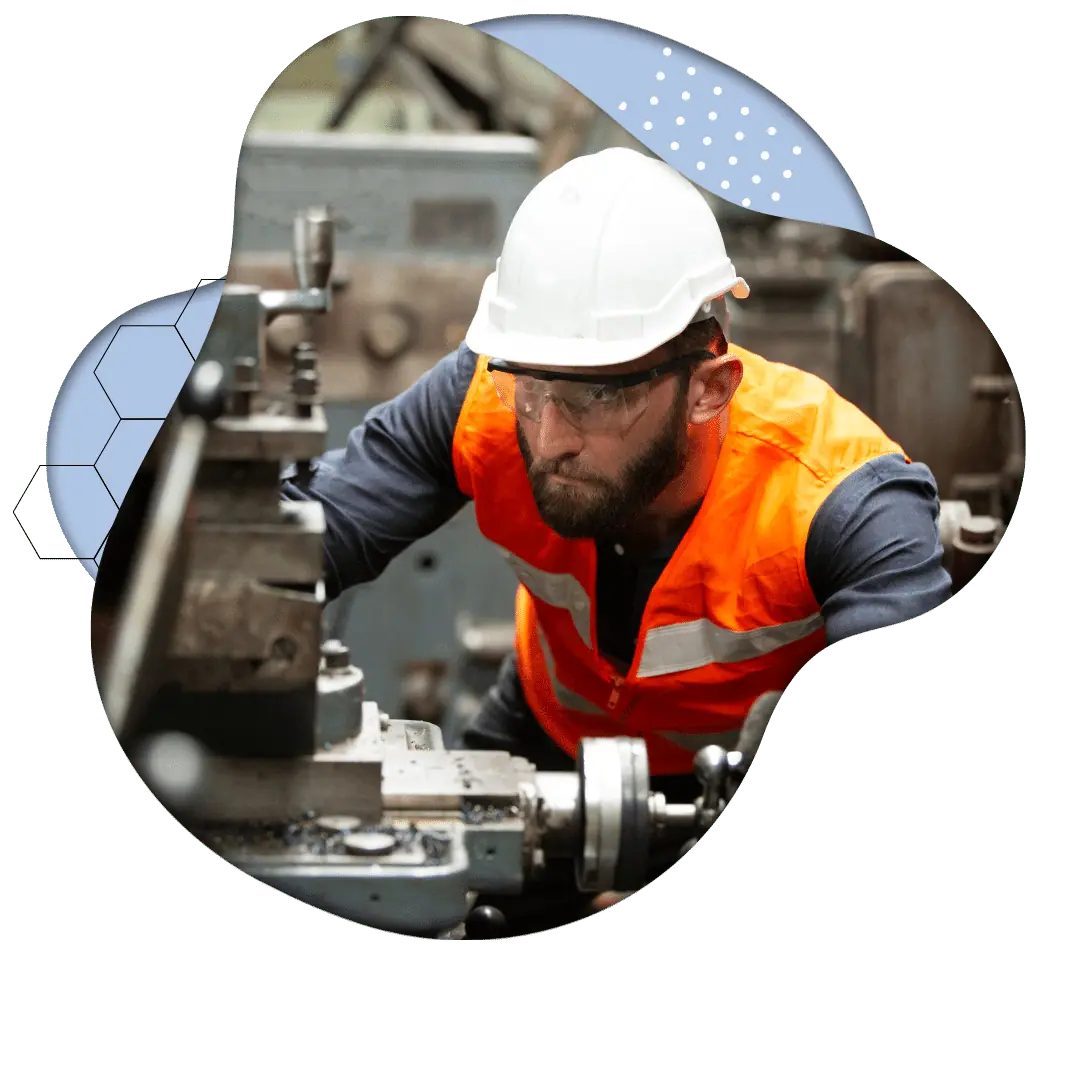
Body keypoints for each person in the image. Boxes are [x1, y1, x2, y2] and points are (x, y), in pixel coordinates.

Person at [282, 147, 952, 936]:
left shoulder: (844, 503)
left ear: (708, 388)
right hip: (547, 729)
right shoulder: (487, 402)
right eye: (532, 391)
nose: (550, 438)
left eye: (598, 399)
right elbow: (303, 536)